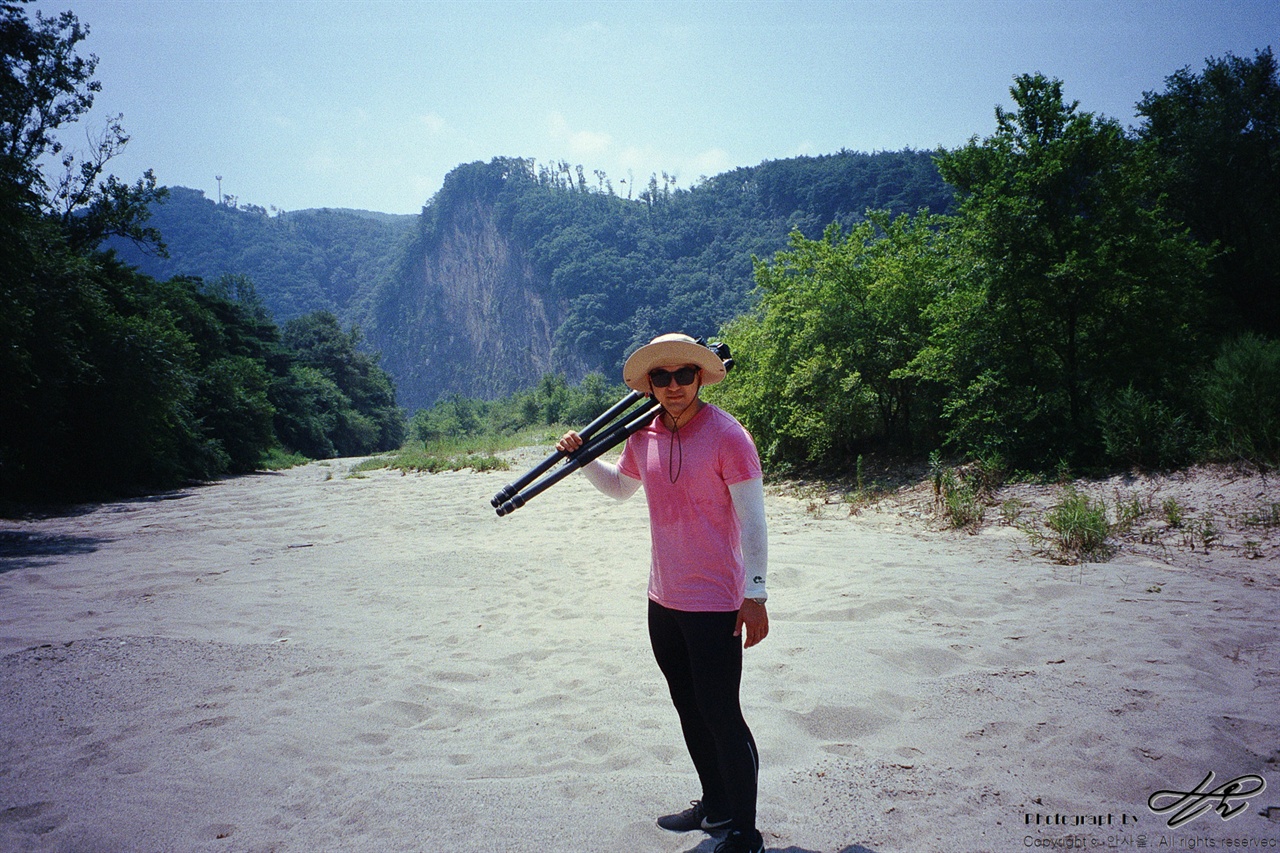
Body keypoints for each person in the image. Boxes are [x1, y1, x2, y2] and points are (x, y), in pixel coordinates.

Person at [556, 332, 769, 853]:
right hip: (663, 599)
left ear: (701, 376)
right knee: (688, 706)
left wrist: (756, 594)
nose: (673, 386)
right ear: (649, 384)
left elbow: (754, 520)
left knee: (721, 712)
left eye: (684, 375)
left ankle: (744, 830)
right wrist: (582, 457)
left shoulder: (728, 436)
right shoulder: (642, 433)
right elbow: (620, 490)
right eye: (661, 377)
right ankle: (715, 806)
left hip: (716, 601)